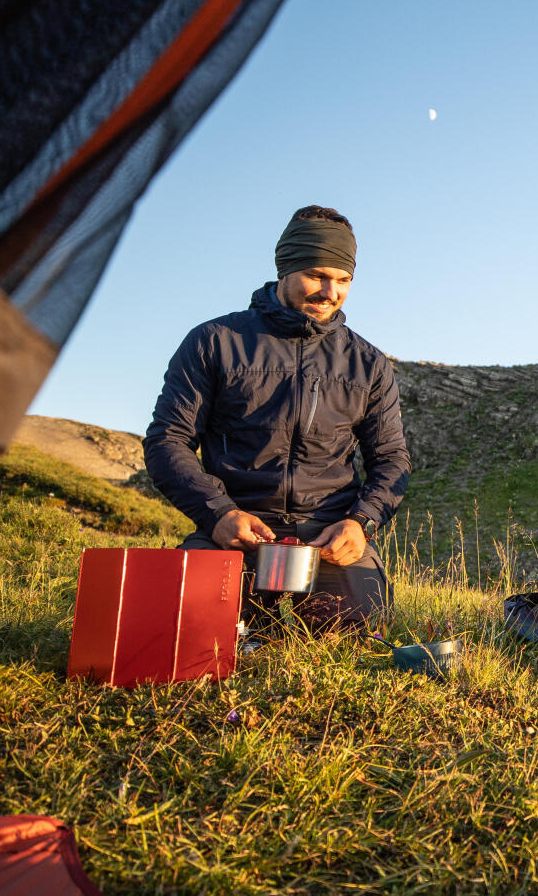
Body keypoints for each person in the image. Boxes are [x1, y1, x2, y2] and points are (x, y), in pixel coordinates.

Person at [144, 205, 409, 632]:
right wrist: (217, 514)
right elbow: (166, 441)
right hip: (237, 530)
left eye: (343, 280)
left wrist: (360, 523)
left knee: (355, 632)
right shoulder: (215, 342)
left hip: (327, 538)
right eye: (317, 275)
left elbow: (392, 459)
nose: (330, 292)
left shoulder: (368, 364)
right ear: (284, 268)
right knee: (190, 627)